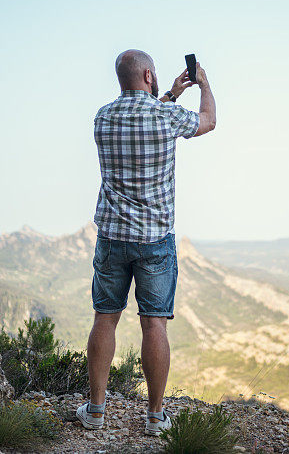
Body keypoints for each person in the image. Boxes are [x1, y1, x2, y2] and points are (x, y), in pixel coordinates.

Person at [76, 49, 216, 436]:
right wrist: (202, 84)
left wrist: (169, 94)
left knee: (105, 318)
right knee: (154, 325)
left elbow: (141, 115)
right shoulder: (165, 117)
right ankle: (155, 417)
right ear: (149, 76)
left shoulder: (102, 117)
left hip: (113, 236)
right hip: (155, 239)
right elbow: (208, 121)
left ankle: (96, 411)